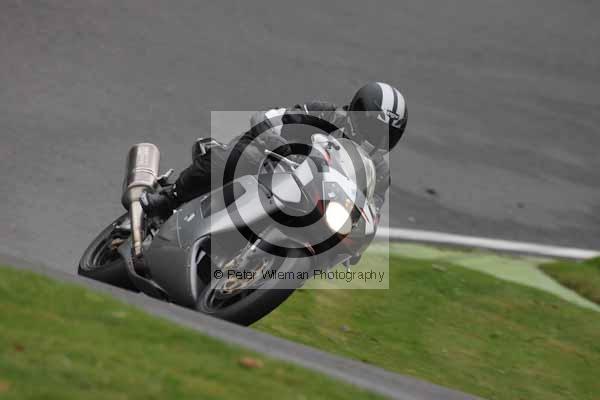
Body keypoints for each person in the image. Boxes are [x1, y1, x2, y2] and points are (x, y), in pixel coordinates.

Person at [140, 82, 407, 220]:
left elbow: (372, 212)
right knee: (238, 157)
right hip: (271, 165)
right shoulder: (324, 114)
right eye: (373, 128)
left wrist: (359, 238)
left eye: (386, 135)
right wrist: (277, 142)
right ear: (357, 111)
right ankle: (169, 199)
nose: (376, 139)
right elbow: (268, 118)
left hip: (310, 204)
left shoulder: (378, 171)